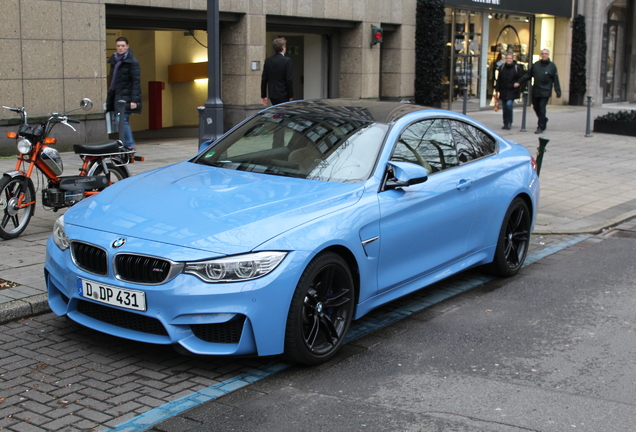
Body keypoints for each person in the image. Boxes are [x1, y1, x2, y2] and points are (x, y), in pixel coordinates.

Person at [514, 49, 561, 134]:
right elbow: (528, 75)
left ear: (548, 55)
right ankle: (543, 119)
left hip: (545, 91)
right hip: (536, 90)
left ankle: (540, 127)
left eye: (546, 54)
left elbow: (555, 79)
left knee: (542, 108)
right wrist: (519, 82)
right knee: (536, 107)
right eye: (542, 54)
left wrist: (558, 91)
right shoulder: (536, 65)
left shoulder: (552, 66)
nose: (544, 55)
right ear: (540, 55)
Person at [106, 37, 141, 149]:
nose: (120, 48)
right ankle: (125, 145)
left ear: (127, 46)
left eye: (122, 46)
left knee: (122, 119)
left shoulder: (132, 62)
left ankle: (130, 144)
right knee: (119, 120)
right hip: (117, 95)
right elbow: (114, 81)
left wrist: (134, 100)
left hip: (127, 97)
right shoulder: (115, 60)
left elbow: (136, 81)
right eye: (118, 46)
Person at [495, 53, 524, 130]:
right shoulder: (502, 67)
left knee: (508, 105)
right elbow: (499, 79)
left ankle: (509, 122)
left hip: (512, 90)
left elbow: (521, 78)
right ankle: (505, 123)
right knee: (505, 107)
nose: (508, 60)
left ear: (512, 59)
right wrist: (497, 89)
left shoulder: (516, 68)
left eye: (510, 58)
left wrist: (518, 83)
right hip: (503, 90)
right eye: (507, 58)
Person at [261, 37, 293, 106]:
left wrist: (263, 96)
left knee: (277, 113)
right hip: (283, 94)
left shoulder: (268, 60)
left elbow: (264, 79)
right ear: (283, 47)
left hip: (272, 94)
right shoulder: (287, 60)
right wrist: (290, 95)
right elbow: (289, 79)